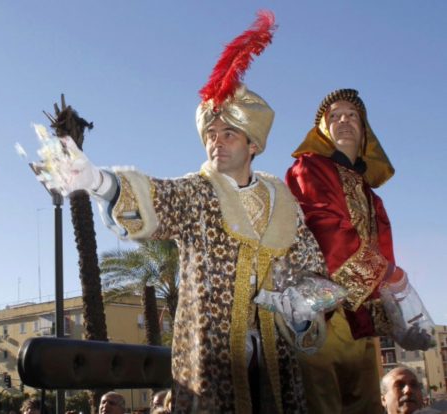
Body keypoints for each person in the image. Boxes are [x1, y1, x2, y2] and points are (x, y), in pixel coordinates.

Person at [33, 11, 332, 413]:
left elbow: (314, 272)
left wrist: (300, 306)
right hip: (211, 372)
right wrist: (95, 179)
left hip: (277, 372)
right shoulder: (199, 192)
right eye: (211, 134)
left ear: (253, 145)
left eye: (229, 134)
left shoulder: (285, 206)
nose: (217, 143)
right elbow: (158, 197)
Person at [286, 88, 435, 414]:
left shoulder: (372, 197)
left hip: (362, 320)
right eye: (334, 116)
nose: (344, 120)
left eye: (352, 115)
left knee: (367, 405)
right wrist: (388, 274)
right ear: (323, 130)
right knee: (322, 404)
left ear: (364, 130)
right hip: (320, 315)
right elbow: (328, 231)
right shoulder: (309, 169)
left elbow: (384, 252)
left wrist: (394, 311)